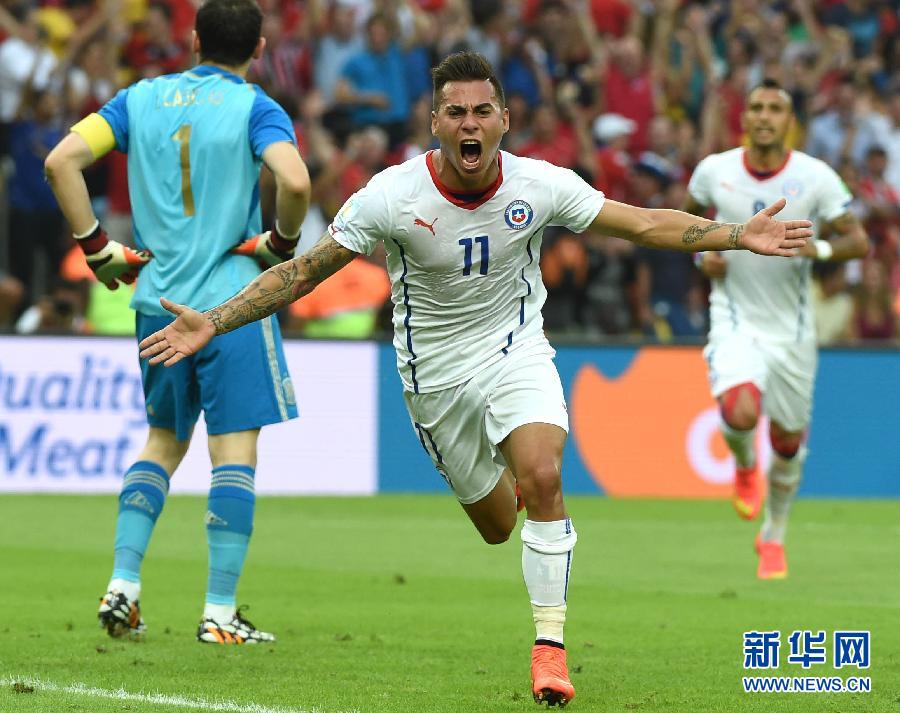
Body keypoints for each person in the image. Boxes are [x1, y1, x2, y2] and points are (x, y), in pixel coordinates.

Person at [138, 52, 810, 705]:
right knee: (496, 524)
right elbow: (303, 271)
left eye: (482, 111)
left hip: (516, 352)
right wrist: (216, 321)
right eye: (455, 111)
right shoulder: (392, 196)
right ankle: (518, 505)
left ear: (504, 120)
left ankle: (550, 647)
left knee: (544, 476)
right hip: (434, 381)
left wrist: (733, 235)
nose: (469, 123)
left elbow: (639, 222)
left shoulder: (539, 184)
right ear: (435, 122)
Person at [44, 0, 311, 645]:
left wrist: (97, 246)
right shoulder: (254, 107)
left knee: (162, 442)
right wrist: (280, 240)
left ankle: (123, 586)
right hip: (229, 307)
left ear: (192, 41)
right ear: (259, 46)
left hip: (157, 302)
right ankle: (219, 613)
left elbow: (60, 162)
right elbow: (296, 182)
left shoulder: (138, 100)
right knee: (234, 453)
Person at [683, 79, 869, 580]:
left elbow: (859, 242)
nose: (765, 116)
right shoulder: (714, 173)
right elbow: (687, 224)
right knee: (741, 410)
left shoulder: (816, 178)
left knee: (787, 440)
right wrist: (705, 256)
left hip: (792, 330)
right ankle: (745, 466)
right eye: (757, 107)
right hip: (735, 318)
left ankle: (774, 535)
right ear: (744, 117)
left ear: (790, 121)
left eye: (776, 108)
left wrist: (819, 249)